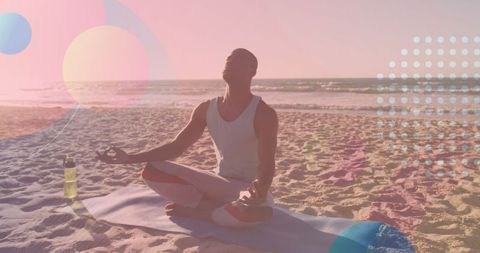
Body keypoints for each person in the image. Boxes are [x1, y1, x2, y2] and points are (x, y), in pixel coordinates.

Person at [96, 48, 278, 227]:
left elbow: (267, 164)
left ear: (252, 71)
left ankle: (200, 212)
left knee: (253, 214)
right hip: (218, 182)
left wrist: (259, 191)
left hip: (247, 188)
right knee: (152, 169)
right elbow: (177, 147)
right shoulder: (206, 109)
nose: (230, 62)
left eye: (238, 60)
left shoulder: (264, 114)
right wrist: (130, 158)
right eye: (228, 59)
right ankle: (218, 208)